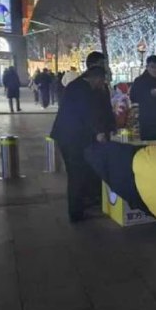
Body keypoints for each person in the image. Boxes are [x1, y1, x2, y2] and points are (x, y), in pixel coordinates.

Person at [50, 65, 111, 222]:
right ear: (96, 78)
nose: (102, 84)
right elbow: (87, 113)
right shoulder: (83, 90)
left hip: (68, 136)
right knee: (76, 174)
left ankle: (78, 208)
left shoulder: (76, 85)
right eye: (102, 81)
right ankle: (76, 213)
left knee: (76, 173)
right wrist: (98, 133)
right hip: (72, 138)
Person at [130, 55, 156, 141]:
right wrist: (149, 94)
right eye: (153, 67)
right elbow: (133, 97)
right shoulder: (140, 81)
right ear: (147, 67)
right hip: (148, 122)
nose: (155, 70)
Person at [85, 52, 118, 140]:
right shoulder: (84, 86)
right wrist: (97, 131)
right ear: (92, 65)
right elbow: (88, 112)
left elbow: (107, 107)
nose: (104, 67)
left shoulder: (104, 86)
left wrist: (112, 125)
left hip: (105, 131)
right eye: (102, 64)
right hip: (92, 135)